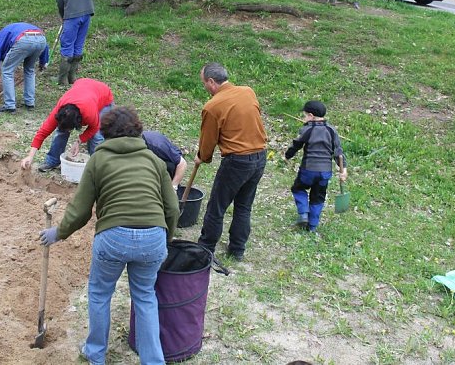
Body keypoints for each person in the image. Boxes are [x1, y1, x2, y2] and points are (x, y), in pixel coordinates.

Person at [39, 106, 179, 365]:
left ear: (105, 133)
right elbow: (172, 208)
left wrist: (59, 232)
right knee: (145, 297)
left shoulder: (98, 160)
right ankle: (153, 361)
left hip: (113, 236)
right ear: (138, 131)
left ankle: (95, 354)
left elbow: (81, 209)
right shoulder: (155, 161)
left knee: (100, 293)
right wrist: (165, 240)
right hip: (153, 237)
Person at [195, 62, 267, 262]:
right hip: (260, 156)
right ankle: (237, 250)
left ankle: (205, 249)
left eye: (204, 83)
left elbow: (208, 139)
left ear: (211, 81)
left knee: (216, 207)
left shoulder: (212, 106)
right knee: (244, 206)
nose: (204, 87)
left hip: (237, 161)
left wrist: (202, 156)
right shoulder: (248, 92)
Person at [20, 78, 114, 172]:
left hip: (103, 96)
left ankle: (99, 167)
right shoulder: (60, 112)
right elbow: (43, 132)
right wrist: (30, 156)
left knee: (96, 137)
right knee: (60, 132)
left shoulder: (89, 114)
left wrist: (79, 141)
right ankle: (53, 161)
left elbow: (94, 127)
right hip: (82, 87)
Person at [284, 101, 347, 232]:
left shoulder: (307, 129)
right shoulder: (331, 130)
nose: (304, 118)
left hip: (308, 170)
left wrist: (287, 156)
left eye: (304, 115)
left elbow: (296, 145)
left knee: (298, 188)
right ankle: (312, 226)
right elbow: (338, 152)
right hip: (325, 172)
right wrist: (344, 169)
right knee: (318, 197)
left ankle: (303, 213)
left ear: (311, 116)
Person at [53, 0, 99, 85]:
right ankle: (72, 77)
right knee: (78, 44)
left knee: (67, 44)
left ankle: (62, 80)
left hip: (72, 16)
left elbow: (60, 1)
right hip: (87, 13)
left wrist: (63, 15)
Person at [0, 23, 49, 113]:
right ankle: (29, 102)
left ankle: (9, 106)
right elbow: (43, 44)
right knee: (29, 70)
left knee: (7, 70)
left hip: (23, 40)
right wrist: (44, 62)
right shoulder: (11, 31)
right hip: (41, 39)